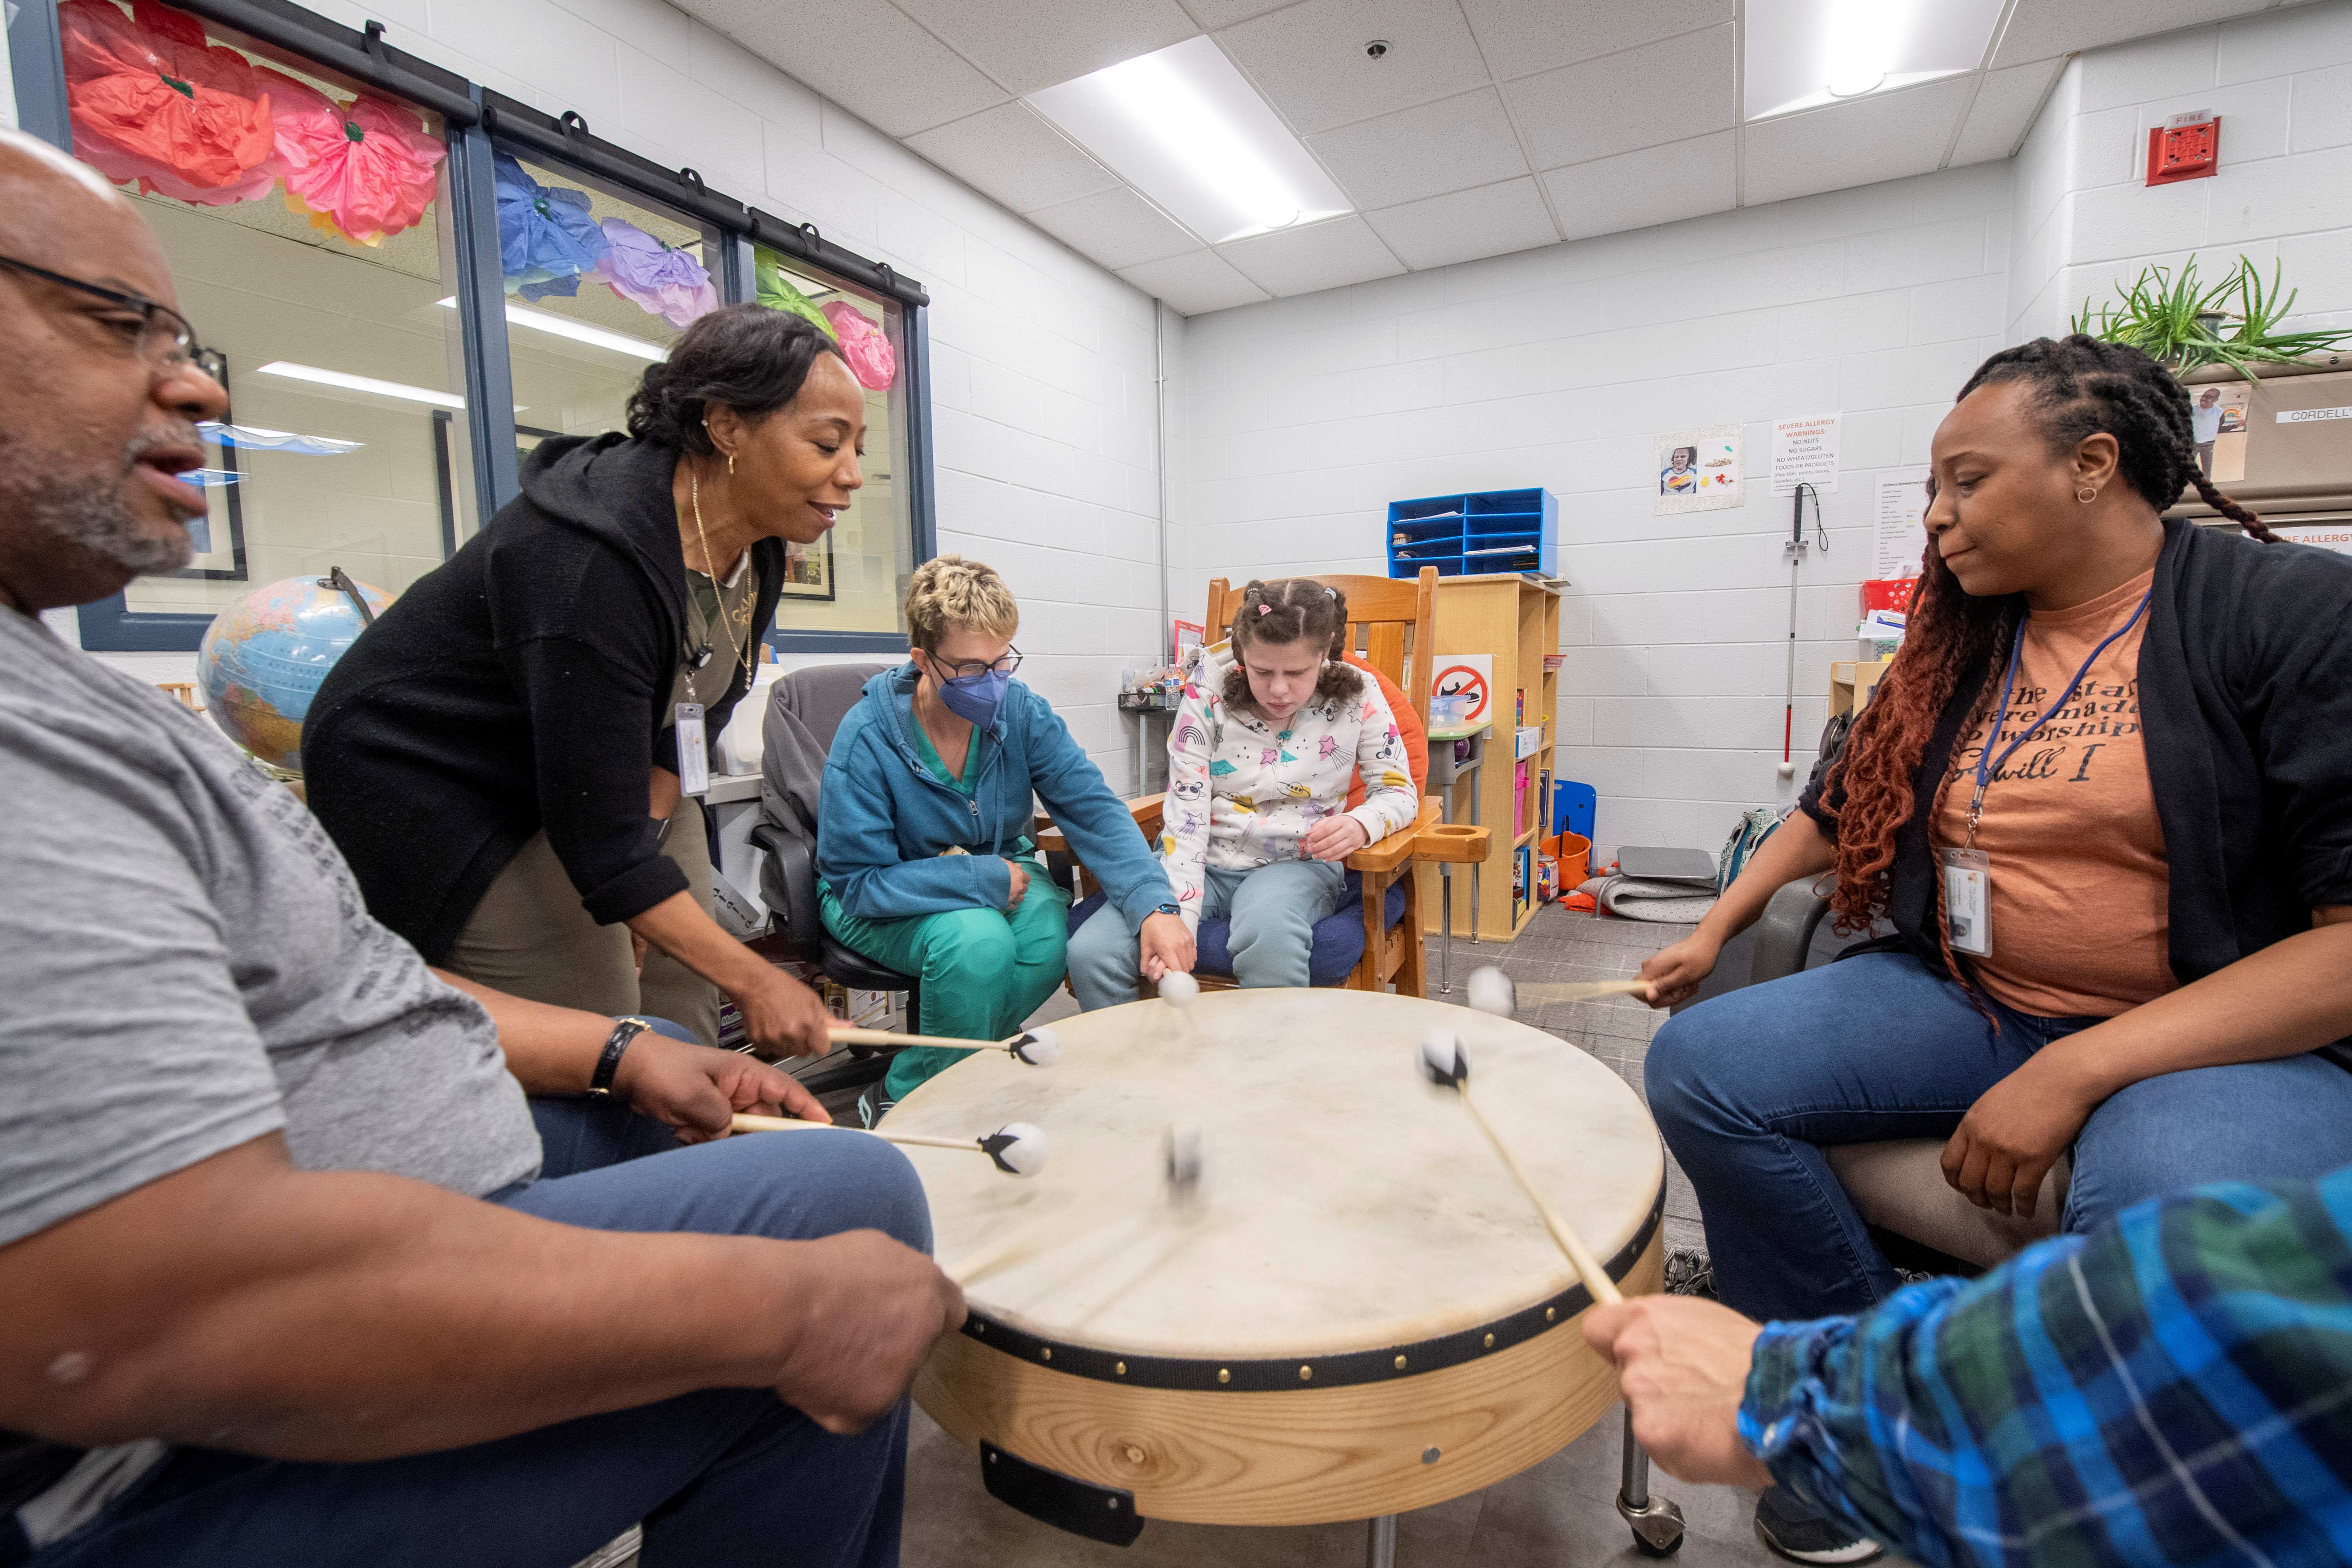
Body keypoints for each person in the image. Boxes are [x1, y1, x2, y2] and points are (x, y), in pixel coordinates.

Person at [0, 129, 961, 1567]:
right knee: (674, 1022)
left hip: (534, 838)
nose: (196, 378)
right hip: (451, 805)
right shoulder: (586, 559)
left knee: (696, 1047)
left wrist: (633, 1046)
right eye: (114, 320)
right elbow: (143, 1310)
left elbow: (638, 766)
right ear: (719, 429)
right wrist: (783, 1309)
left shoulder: (738, 555)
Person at [1639, 335, 2352, 1563]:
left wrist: (2076, 1072)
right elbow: (1831, 801)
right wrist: (1714, 925)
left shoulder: (2282, 612)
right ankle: (1857, 1404)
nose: (1935, 516)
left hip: (2212, 1041)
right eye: (1932, 489)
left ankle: (2062, 1501)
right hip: (1978, 999)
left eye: (1964, 481)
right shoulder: (1960, 639)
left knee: (2165, 1237)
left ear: (2089, 463)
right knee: (1700, 1066)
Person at [305, 302, 860, 1054]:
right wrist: (755, 976)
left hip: (584, 776)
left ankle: (680, 1150)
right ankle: (591, 1157)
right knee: (600, 1017)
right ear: (727, 426)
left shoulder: (755, 545)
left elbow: (688, 724)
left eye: (856, 446)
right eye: (828, 444)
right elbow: (600, 845)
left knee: (688, 973)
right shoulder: (587, 564)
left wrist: (645, 878)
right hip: (444, 787)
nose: (851, 475)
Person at [1587, 1164, 2352, 1567]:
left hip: (2193, 1041)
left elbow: (2243, 1314)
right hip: (1983, 993)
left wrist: (1797, 1395)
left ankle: (1847, 1475)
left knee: (2152, 1187)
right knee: (1702, 1066)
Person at [816, 555, 1187, 1118]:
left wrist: (1154, 906)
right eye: (968, 669)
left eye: (1001, 662)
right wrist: (981, 878)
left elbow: (1093, 809)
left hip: (1001, 877)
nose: (990, 684)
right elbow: (859, 882)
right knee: (977, 945)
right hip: (877, 896)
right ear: (922, 660)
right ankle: (909, 1099)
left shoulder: (1021, 711)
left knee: (1044, 940)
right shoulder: (867, 737)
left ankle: (953, 1077)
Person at [1068, 577, 1419, 1004]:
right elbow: (1187, 811)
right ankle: (1135, 1069)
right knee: (1092, 953)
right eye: (1262, 671)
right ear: (1241, 654)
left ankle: (1266, 1068)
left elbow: (1399, 793)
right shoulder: (1207, 691)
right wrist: (1178, 915)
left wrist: (1362, 824)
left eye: (1297, 673)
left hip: (1295, 863)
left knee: (1268, 934)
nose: (1278, 689)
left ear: (1325, 652)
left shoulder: (1359, 694)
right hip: (1201, 858)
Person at [2191, 384, 2224, 475]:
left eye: (2208, 397)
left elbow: (2220, 428)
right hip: (2193, 443)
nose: (2203, 399)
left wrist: (2235, 426)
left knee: (2207, 467)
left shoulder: (2219, 412)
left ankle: (2206, 483)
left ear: (2215, 400)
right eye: (2203, 396)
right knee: (2188, 464)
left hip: (2208, 445)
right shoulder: (2193, 410)